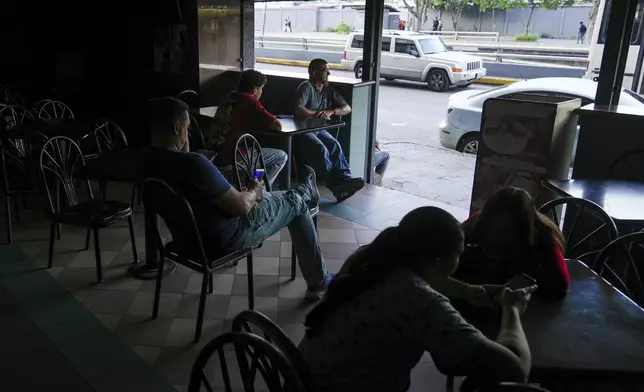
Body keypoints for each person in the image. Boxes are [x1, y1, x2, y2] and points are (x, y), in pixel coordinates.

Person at [299, 207, 535, 392]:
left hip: (302, 380)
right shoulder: (423, 304)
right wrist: (511, 309)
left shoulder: (369, 259)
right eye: (458, 255)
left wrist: (469, 291)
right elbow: (516, 371)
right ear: (438, 261)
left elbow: (425, 277)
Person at [146, 97, 332, 300]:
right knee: (296, 202)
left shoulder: (145, 161)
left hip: (187, 241)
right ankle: (319, 281)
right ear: (176, 127)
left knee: (275, 197)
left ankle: (302, 191)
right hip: (229, 237)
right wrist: (253, 190)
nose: (188, 133)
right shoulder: (196, 165)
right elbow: (243, 206)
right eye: (186, 129)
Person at [455, 187, 570, 300]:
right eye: (492, 229)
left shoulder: (545, 236)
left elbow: (561, 284)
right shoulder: (477, 221)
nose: (495, 238)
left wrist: (531, 275)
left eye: (505, 232)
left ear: (523, 230)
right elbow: (448, 243)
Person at [294, 58, 364, 202]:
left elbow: (347, 108)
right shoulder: (306, 87)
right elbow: (298, 108)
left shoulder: (328, 89)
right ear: (314, 73)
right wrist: (316, 114)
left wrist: (332, 111)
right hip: (302, 130)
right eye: (325, 70)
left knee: (334, 145)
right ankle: (336, 186)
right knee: (321, 149)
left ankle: (346, 180)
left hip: (319, 129)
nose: (328, 73)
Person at [204, 69, 287, 187]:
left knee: (260, 159)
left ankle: (252, 185)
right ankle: (258, 190)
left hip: (213, 153)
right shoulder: (250, 101)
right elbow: (277, 126)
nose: (261, 91)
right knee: (280, 156)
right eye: (261, 88)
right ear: (255, 90)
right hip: (233, 156)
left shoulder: (229, 96)